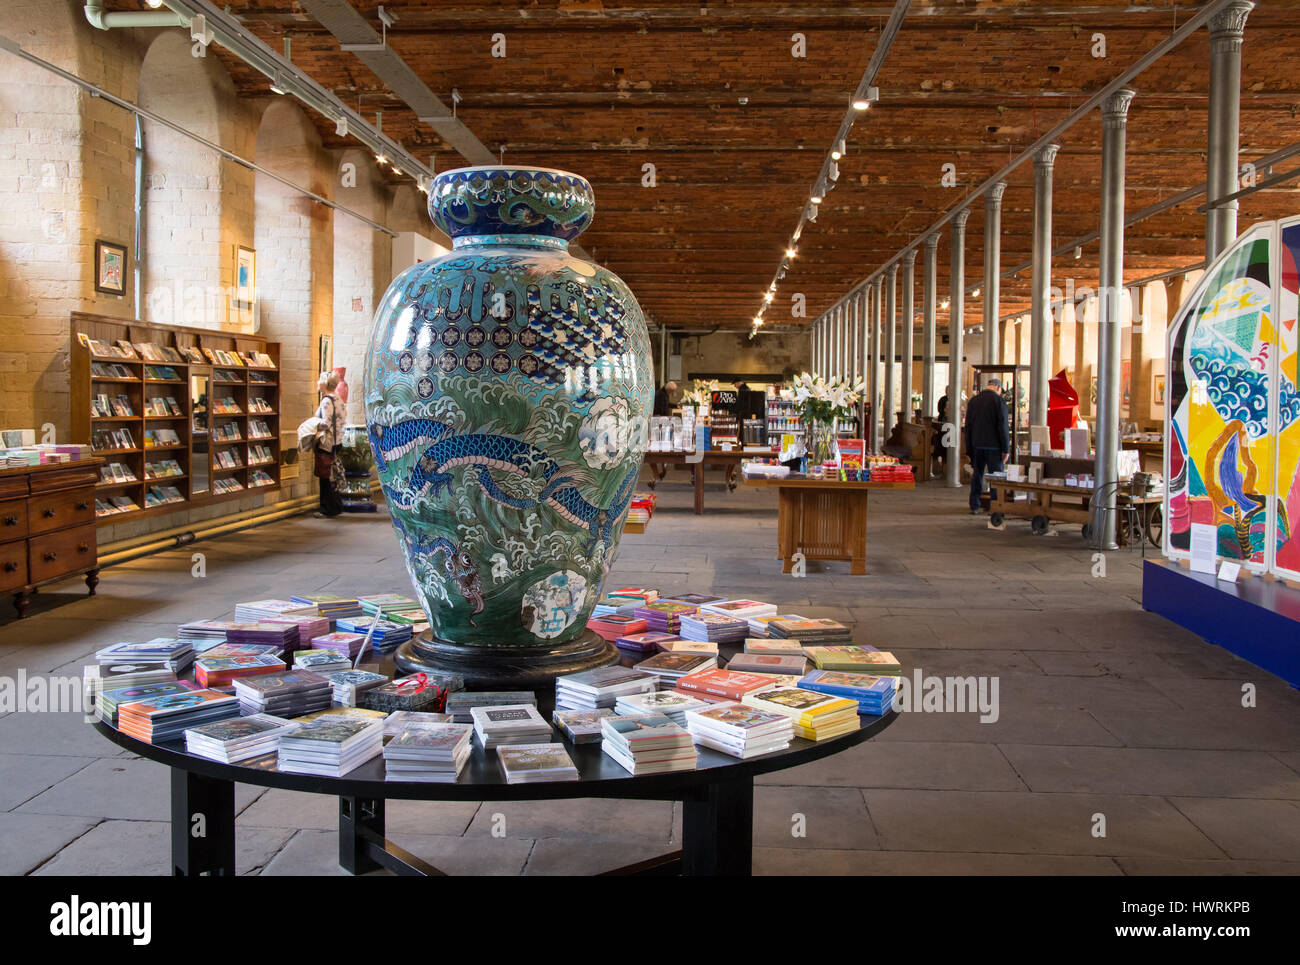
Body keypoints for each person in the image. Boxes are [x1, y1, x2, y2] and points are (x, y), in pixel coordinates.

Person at [964, 377, 1010, 514]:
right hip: (994, 447)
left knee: (977, 475)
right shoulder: (999, 401)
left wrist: (968, 450)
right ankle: (995, 506)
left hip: (977, 445)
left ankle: (975, 505)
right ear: (998, 388)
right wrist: (1006, 449)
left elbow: (968, 427)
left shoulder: (974, 401)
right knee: (996, 477)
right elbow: (1003, 427)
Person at [313, 371, 345, 518]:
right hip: (337, 441)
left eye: (319, 380)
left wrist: (312, 426)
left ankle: (327, 507)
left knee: (325, 475)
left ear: (325, 384)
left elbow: (325, 422)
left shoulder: (326, 400)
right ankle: (336, 505)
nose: (317, 383)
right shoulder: (338, 398)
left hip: (327, 443)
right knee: (333, 474)